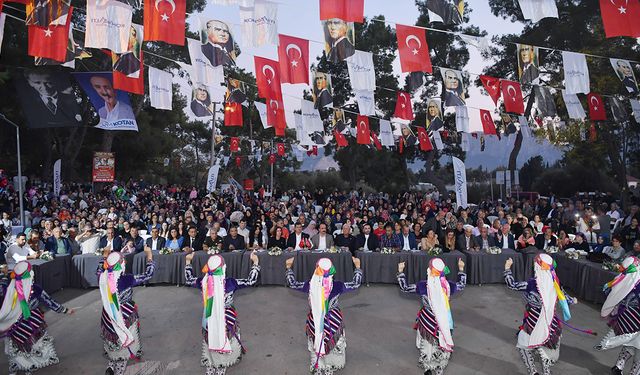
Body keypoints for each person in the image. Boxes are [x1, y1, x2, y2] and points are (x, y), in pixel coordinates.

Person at [184, 252, 260, 375]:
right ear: (223, 267)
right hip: (226, 316)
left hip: (209, 316)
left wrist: (188, 262)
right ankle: (222, 364)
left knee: (210, 335)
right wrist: (255, 263)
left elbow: (188, 278)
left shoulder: (203, 281)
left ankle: (211, 363)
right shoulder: (230, 283)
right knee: (226, 334)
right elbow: (251, 280)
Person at [285, 256, 362, 375]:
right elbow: (355, 284)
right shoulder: (338, 286)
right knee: (335, 342)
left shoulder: (310, 285)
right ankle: (331, 363)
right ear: (332, 270)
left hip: (315, 322)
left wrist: (288, 268)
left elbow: (292, 283)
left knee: (317, 340)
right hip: (333, 322)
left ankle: (319, 365)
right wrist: (357, 267)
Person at [504, 254, 577, 375]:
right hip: (550, 325)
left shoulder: (532, 284)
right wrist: (573, 300)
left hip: (532, 325)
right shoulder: (556, 284)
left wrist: (507, 269)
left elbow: (512, 284)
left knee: (523, 346)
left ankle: (533, 372)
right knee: (545, 349)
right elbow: (566, 299)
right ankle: (546, 372)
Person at [0, 261, 75, 375]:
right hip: (32, 323)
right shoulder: (34, 289)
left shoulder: (9, 288)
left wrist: (4, 276)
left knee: (16, 348)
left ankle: (16, 368)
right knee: (33, 346)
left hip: (13, 325)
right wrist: (65, 310)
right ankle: (29, 367)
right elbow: (49, 301)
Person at [397, 257, 466, 375]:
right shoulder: (448, 285)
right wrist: (461, 269)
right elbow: (461, 284)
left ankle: (427, 368)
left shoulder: (423, 286)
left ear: (429, 269)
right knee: (441, 342)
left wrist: (400, 272)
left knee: (428, 344)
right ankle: (440, 368)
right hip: (443, 320)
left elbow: (405, 287)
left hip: (427, 320)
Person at [98, 249, 154, 375]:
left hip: (107, 316)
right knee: (124, 344)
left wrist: (105, 256)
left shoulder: (102, 276)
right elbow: (148, 274)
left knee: (112, 343)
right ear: (121, 263)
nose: (125, 260)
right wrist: (149, 256)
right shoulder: (125, 279)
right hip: (124, 316)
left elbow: (100, 267)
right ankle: (118, 371)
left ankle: (111, 366)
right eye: (123, 259)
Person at [597, 256, 640, 374]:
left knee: (632, 342)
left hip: (626, 316)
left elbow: (610, 295)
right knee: (636, 345)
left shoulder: (622, 279)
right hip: (634, 316)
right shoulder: (630, 278)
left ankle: (618, 366)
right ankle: (632, 372)